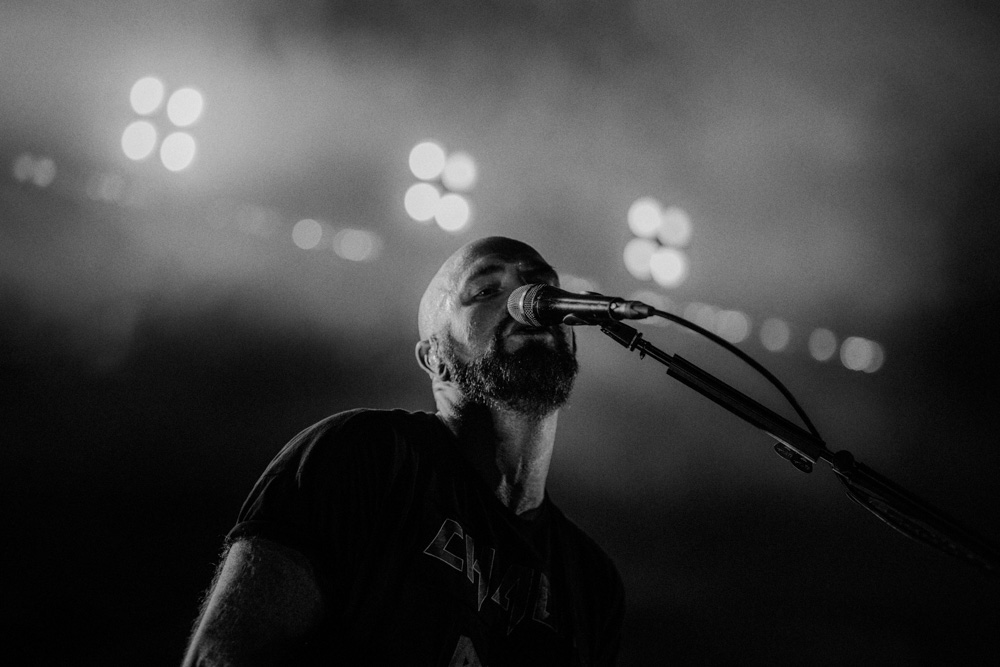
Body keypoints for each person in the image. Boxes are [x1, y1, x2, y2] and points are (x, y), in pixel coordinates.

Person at [182, 236, 625, 666]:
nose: (525, 300)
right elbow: (222, 656)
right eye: (487, 290)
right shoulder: (364, 455)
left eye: (541, 285)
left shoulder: (590, 582)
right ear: (435, 357)